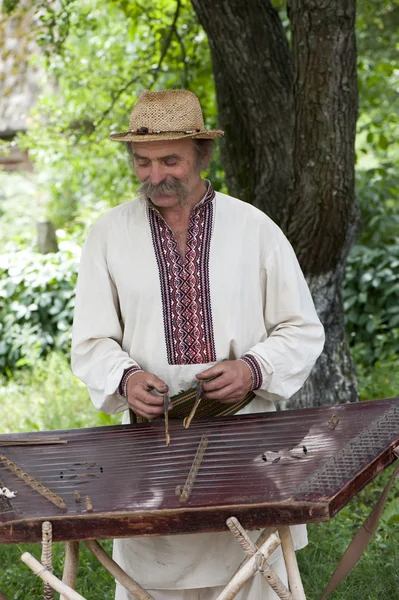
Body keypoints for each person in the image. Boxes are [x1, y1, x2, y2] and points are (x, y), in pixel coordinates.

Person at [71, 89, 325, 600]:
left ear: (202, 156)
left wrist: (254, 369)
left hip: (247, 445)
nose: (156, 175)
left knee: (256, 577)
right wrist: (125, 377)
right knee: (154, 583)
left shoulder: (255, 229)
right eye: (142, 162)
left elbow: (302, 329)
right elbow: (92, 340)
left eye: (171, 160)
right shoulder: (108, 235)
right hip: (153, 450)